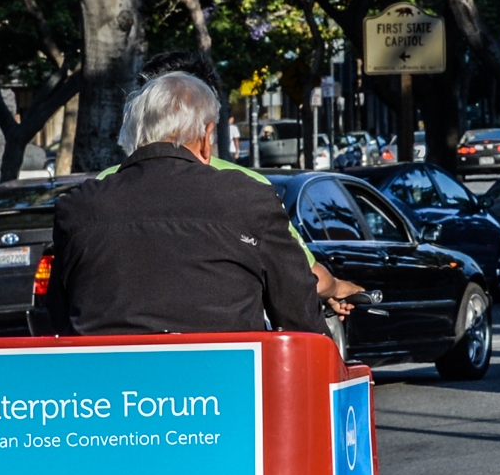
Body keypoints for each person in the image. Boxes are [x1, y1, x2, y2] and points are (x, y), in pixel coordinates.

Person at [46, 72, 328, 337]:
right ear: (207, 137)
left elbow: (60, 318)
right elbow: (299, 317)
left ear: (135, 135)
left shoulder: (79, 207)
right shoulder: (248, 198)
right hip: (227, 382)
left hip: (109, 384)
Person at [128, 51, 364, 316]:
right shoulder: (248, 188)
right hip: (225, 350)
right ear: (209, 129)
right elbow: (303, 277)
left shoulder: (101, 187)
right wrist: (337, 288)